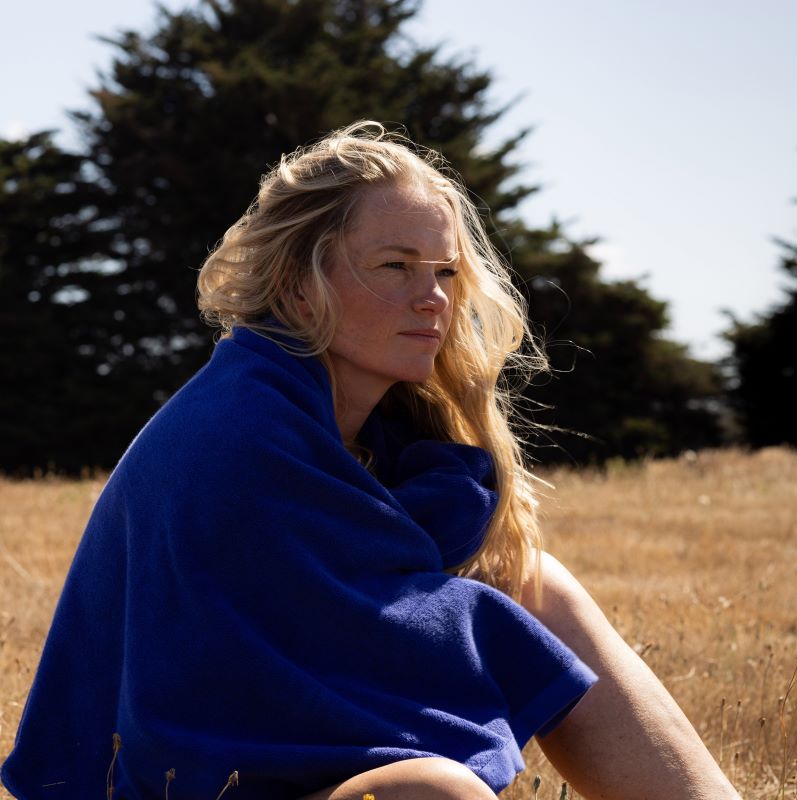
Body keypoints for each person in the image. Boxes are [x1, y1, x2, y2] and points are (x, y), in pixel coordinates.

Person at [1, 122, 740, 800]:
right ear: (298, 283)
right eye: (395, 266)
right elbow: (242, 695)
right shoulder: (240, 434)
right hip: (193, 784)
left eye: (446, 272)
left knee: (530, 579)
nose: (433, 299)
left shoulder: (362, 433)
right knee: (436, 795)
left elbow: (350, 630)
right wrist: (487, 634)